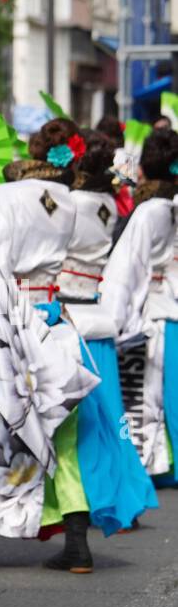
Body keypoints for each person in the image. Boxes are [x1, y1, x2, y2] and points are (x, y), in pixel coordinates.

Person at [0, 118, 100, 567]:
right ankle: (77, 542)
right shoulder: (71, 201)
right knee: (62, 437)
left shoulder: (7, 196)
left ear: (32, 151)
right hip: (55, 324)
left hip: (11, 325)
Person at [42, 130, 158, 568]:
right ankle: (95, 512)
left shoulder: (65, 206)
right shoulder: (110, 206)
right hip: (97, 321)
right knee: (106, 424)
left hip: (64, 322)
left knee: (67, 431)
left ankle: (73, 533)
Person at [101, 128, 178, 488]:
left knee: (150, 399)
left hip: (160, 314)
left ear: (144, 168)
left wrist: (113, 321)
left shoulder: (149, 211)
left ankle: (156, 465)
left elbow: (125, 271)